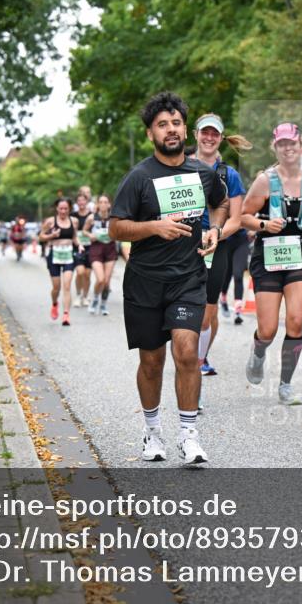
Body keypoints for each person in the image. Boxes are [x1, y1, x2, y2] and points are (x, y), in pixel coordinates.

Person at [109, 92, 227, 466]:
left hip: (188, 278)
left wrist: (215, 231)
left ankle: (189, 436)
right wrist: (153, 227)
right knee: (152, 362)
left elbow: (221, 203)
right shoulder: (139, 177)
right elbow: (115, 227)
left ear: (183, 129)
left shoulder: (202, 173)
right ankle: (153, 431)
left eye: (176, 122)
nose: (171, 129)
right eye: (162, 124)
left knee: (187, 353)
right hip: (145, 281)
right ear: (150, 134)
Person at [240, 122, 302, 405]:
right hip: (267, 255)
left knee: (296, 322)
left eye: (292, 143)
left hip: (298, 255)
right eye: (282, 143)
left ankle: (285, 385)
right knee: (269, 329)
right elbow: (243, 216)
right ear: (276, 146)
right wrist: (263, 223)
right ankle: (258, 351)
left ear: (300, 145)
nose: (287, 147)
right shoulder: (265, 181)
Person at [190, 113, 251, 380]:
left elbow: (236, 220)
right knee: (186, 309)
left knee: (207, 315)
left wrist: (213, 235)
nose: (209, 138)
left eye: (215, 133)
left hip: (218, 245)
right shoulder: (180, 167)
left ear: (221, 139)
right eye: (205, 132)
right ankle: (190, 358)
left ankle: (197, 359)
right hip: (184, 245)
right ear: (195, 135)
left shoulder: (230, 175)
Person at [39, 198, 83, 326]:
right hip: (54, 256)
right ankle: (54, 304)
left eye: (66, 209)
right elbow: (41, 236)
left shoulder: (74, 221)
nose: (63, 211)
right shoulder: (50, 222)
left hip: (68, 255)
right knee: (56, 287)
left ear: (69, 209)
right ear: (57, 209)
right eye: (61, 208)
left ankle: (66, 315)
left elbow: (75, 237)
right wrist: (51, 236)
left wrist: (79, 245)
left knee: (67, 286)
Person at [88, 195, 118, 315]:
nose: (103, 204)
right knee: (100, 279)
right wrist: (91, 236)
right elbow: (84, 230)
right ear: (97, 204)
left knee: (106, 281)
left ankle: (104, 304)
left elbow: (119, 232)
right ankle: (95, 299)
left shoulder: (114, 218)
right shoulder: (91, 218)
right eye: (101, 202)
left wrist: (115, 235)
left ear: (109, 205)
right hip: (96, 249)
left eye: (105, 202)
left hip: (110, 249)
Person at [72, 193, 94, 307]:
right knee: (80, 272)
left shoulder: (92, 215)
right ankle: (78, 295)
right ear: (77, 203)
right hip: (77, 246)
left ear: (86, 202)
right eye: (79, 201)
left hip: (90, 246)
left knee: (87, 274)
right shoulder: (73, 215)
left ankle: (85, 296)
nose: (81, 202)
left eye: (83, 200)